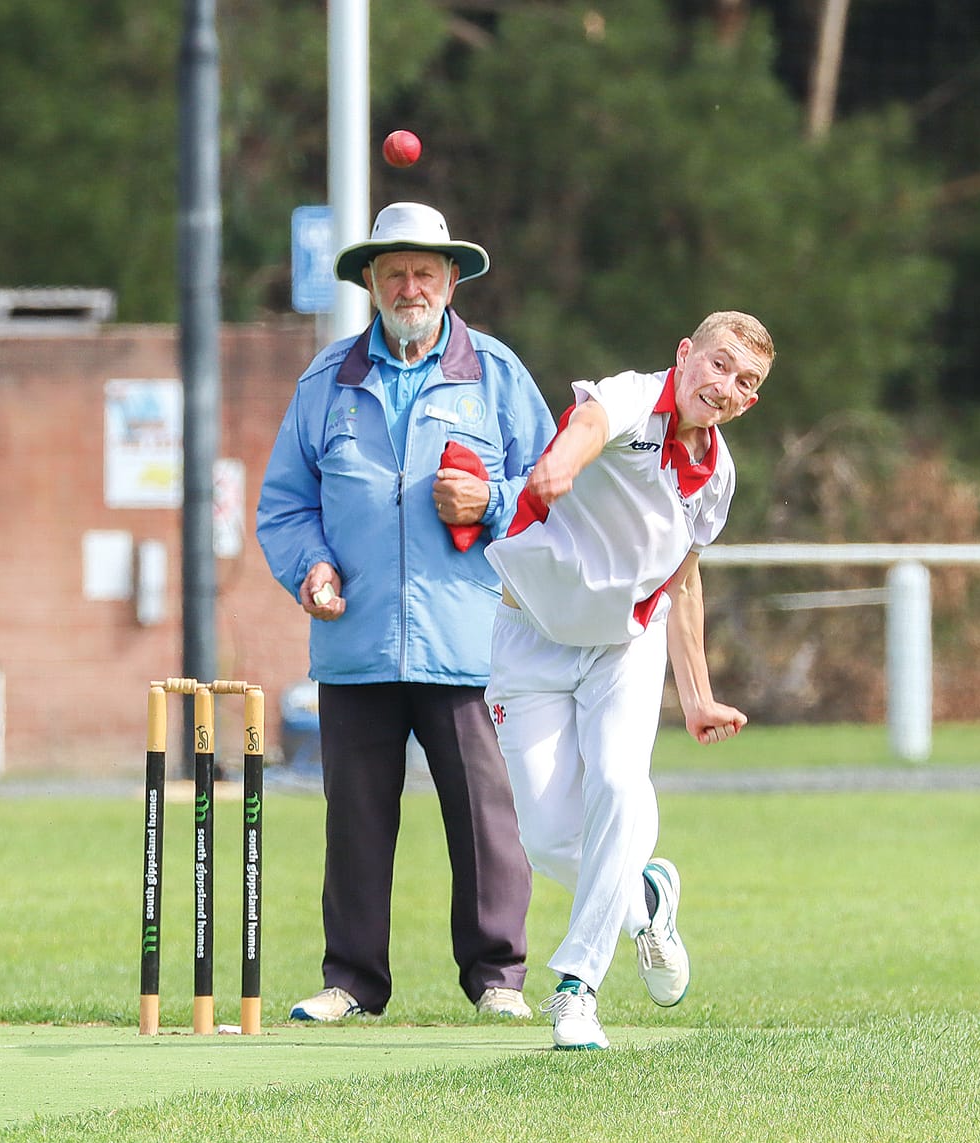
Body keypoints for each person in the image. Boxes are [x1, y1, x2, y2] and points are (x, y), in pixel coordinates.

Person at [256, 202, 552, 1023]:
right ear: (371, 285)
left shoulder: (495, 373)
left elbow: (550, 491)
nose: (410, 286)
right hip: (354, 642)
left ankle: (497, 977)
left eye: (425, 271)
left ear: (452, 281)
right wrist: (310, 567)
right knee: (354, 820)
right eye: (394, 273)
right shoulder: (326, 382)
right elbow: (284, 505)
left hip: (467, 642)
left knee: (486, 821)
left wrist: (489, 498)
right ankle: (351, 980)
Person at [484, 311, 773, 1051]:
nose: (726, 386)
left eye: (746, 382)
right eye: (719, 365)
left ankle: (577, 989)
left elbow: (683, 584)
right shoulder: (635, 397)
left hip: (623, 644)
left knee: (617, 783)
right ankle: (646, 898)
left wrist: (699, 693)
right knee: (549, 839)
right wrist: (566, 462)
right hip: (530, 635)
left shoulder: (718, 474)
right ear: (686, 354)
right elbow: (589, 419)